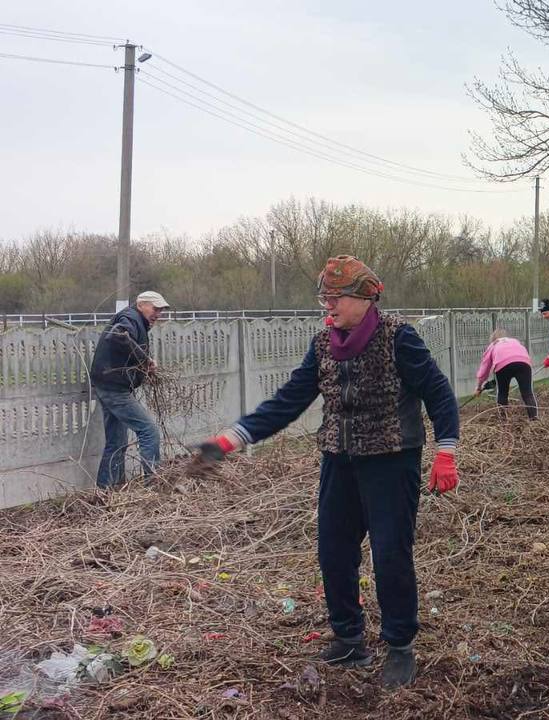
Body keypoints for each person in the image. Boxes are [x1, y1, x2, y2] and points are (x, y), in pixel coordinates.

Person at [192, 256, 459, 690]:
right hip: (339, 460)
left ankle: (399, 647)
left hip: (392, 461)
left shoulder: (399, 339)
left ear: (365, 298)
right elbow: (288, 400)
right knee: (334, 552)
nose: (328, 306)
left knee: (390, 554)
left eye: (335, 298)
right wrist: (230, 440)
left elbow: (439, 394)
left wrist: (446, 450)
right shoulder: (322, 345)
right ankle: (350, 639)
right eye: (325, 297)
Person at [89, 290, 170, 488]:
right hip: (113, 387)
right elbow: (118, 335)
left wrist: (142, 368)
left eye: (161, 310)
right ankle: (153, 486)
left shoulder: (136, 320)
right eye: (155, 308)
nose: (158, 313)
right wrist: (144, 359)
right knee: (149, 431)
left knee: (116, 442)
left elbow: (124, 344)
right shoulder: (131, 317)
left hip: (109, 383)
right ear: (141, 305)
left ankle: (107, 491)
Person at [476, 329, 537, 419]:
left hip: (502, 365)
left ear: (493, 339)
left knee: (502, 393)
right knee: (527, 393)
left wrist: (478, 386)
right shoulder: (515, 341)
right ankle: (534, 418)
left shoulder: (493, 345)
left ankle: (503, 420)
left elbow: (484, 368)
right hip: (523, 362)